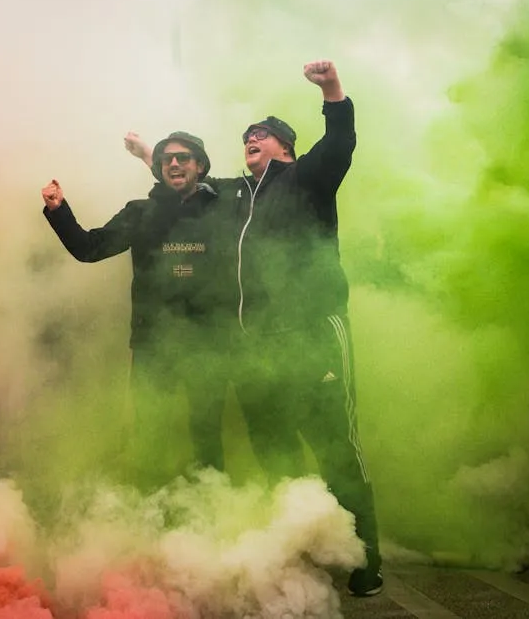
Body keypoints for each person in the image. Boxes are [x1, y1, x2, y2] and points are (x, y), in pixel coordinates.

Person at [125, 60, 383, 597]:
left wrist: (332, 91)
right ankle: (303, 541)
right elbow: (186, 178)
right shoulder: (236, 196)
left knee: (335, 445)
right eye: (246, 137)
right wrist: (151, 154)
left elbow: (339, 144)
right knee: (274, 449)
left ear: (285, 148)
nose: (251, 141)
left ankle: (367, 559)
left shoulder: (306, 178)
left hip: (313, 337)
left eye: (261, 136)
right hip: (261, 349)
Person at [41, 132, 233, 488]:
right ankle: (150, 512)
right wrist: (58, 209)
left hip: (210, 345)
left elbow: (213, 194)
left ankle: (213, 513)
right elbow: (88, 248)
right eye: (167, 160)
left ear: (201, 166)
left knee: (207, 434)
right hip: (153, 345)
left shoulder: (220, 207)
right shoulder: (140, 212)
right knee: (150, 432)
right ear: (159, 170)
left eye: (183, 158)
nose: (174, 163)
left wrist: (149, 154)